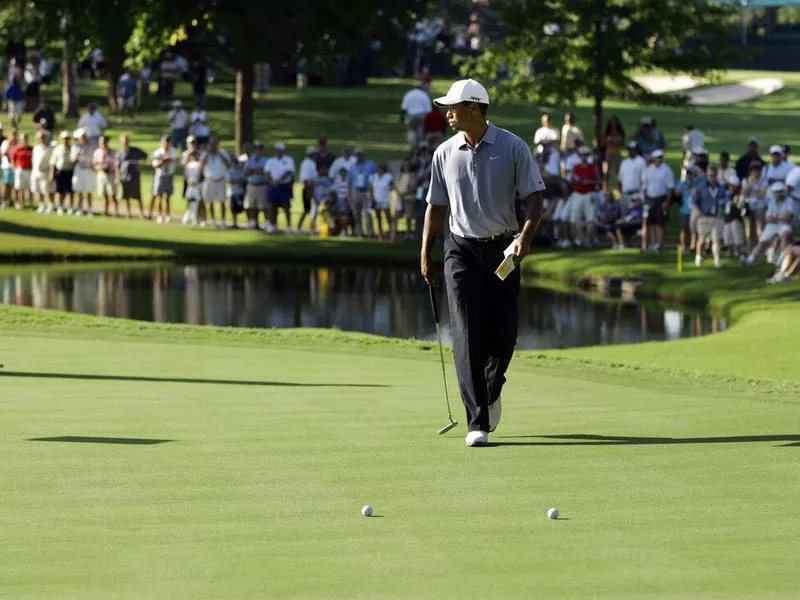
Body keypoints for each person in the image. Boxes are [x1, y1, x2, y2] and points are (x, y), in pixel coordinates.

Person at [421, 78, 545, 447]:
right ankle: (477, 421)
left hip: (502, 250)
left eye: (453, 108)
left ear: (474, 108)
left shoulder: (512, 147)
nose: (447, 114)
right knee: (465, 332)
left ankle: (491, 392)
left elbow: (535, 198)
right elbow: (436, 205)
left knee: (503, 335)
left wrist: (524, 237)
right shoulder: (444, 152)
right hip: (459, 250)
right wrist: (426, 251)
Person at [743, 182, 796, 265]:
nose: (777, 194)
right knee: (762, 241)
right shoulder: (772, 202)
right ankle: (750, 259)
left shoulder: (790, 201)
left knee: (784, 236)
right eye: (775, 192)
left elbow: (788, 217)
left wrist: (775, 216)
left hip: (785, 224)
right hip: (773, 225)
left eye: (778, 192)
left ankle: (781, 261)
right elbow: (768, 219)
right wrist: (780, 216)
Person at [692, 165, 727, 268]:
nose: (713, 178)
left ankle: (717, 260)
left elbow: (724, 199)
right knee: (702, 239)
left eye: (715, 176)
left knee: (716, 239)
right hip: (704, 216)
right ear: (708, 175)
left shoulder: (720, 187)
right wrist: (699, 212)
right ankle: (698, 256)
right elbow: (694, 201)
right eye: (711, 175)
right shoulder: (701, 187)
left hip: (716, 216)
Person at [642, 149, 674, 251]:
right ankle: (649, 244)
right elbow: (644, 187)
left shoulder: (667, 170)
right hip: (650, 199)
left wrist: (667, 201)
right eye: (657, 157)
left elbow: (670, 187)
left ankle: (660, 245)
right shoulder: (648, 170)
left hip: (661, 199)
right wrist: (646, 200)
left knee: (661, 223)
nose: (659, 159)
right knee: (649, 223)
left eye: (660, 157)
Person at [570, 146, 600, 247]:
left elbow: (599, 181)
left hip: (589, 194)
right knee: (577, 218)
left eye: (585, 155)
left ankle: (589, 239)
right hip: (578, 194)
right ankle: (580, 239)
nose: (583, 157)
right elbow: (572, 181)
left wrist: (589, 182)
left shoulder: (593, 167)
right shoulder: (576, 167)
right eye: (582, 155)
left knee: (590, 219)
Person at [264, 142, 296, 232]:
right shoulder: (271, 160)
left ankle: (289, 226)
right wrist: (272, 181)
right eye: (277, 150)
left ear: (283, 151)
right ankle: (273, 225)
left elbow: (288, 172)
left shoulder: (288, 159)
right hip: (273, 185)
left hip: (284, 185)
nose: (278, 152)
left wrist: (279, 180)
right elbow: (267, 172)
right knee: (272, 205)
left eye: (280, 150)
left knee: (286, 205)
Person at [200, 138, 230, 227]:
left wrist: (219, 154)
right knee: (210, 201)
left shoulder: (222, 152)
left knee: (222, 201)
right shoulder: (205, 154)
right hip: (209, 180)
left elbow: (228, 163)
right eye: (211, 144)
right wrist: (207, 153)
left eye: (215, 144)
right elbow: (201, 165)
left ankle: (223, 221)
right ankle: (213, 220)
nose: (213, 146)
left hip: (220, 180)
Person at [116, 134, 148, 218]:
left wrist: (141, 164)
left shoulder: (135, 150)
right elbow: (117, 166)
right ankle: (128, 213)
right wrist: (117, 177)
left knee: (137, 196)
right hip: (124, 176)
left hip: (134, 176)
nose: (125, 142)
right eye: (123, 140)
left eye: (126, 140)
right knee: (126, 196)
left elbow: (145, 155)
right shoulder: (119, 152)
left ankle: (141, 213)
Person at [348, 148, 377, 237]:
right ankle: (359, 232)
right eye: (357, 154)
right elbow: (349, 182)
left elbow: (375, 178)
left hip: (366, 191)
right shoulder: (352, 166)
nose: (359, 156)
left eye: (360, 154)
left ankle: (370, 232)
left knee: (368, 213)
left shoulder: (370, 165)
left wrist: (371, 191)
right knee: (357, 213)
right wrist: (350, 194)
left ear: (364, 155)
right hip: (356, 191)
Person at [150, 135, 177, 223]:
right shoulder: (157, 152)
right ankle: (159, 215)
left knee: (168, 197)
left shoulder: (173, 151)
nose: (167, 144)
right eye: (165, 142)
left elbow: (172, 160)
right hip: (160, 175)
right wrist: (163, 160)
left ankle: (168, 215)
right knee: (159, 196)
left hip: (169, 175)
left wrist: (164, 159)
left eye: (168, 142)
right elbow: (155, 165)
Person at [741, 161, 767, 249]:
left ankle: (760, 250)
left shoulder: (764, 180)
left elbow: (762, 194)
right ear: (750, 171)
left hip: (760, 207)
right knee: (749, 231)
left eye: (758, 170)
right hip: (748, 208)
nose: (756, 172)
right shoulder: (746, 180)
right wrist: (750, 183)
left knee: (760, 230)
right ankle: (750, 249)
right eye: (754, 170)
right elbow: (743, 193)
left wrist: (751, 195)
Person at [400, 79, 433, 147]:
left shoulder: (408, 94)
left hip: (412, 116)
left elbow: (403, 108)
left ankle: (414, 145)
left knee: (412, 131)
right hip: (422, 116)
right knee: (421, 132)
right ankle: (421, 146)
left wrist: (402, 118)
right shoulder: (424, 95)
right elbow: (429, 110)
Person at [243, 142, 269, 229]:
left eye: (260, 149)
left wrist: (253, 170)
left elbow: (265, 172)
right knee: (252, 206)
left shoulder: (266, 160)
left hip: (262, 185)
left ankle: (267, 222)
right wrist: (257, 170)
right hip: (251, 185)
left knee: (264, 206)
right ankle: (254, 222)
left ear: (262, 150)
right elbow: (246, 173)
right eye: (257, 149)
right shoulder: (251, 159)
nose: (258, 151)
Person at [49, 131, 75, 214]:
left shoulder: (72, 148)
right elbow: (53, 162)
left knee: (70, 190)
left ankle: (70, 207)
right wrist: (51, 173)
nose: (65, 140)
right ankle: (60, 206)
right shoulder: (57, 149)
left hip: (70, 171)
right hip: (60, 171)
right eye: (64, 139)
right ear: (61, 139)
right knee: (59, 191)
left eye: (67, 138)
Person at [92, 135, 118, 217]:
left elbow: (116, 164)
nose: (102, 143)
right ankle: (105, 211)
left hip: (111, 174)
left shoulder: (113, 151)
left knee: (112, 194)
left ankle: (116, 212)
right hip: (101, 174)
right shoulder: (97, 152)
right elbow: (94, 165)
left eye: (103, 141)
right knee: (104, 194)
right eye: (100, 141)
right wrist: (99, 168)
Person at [70, 129, 94, 217]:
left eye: (84, 136)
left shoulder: (91, 146)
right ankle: (80, 208)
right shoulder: (75, 147)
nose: (83, 138)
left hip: (88, 170)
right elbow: (72, 160)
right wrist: (77, 155)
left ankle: (90, 209)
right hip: (79, 169)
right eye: (81, 137)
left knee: (89, 190)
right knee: (79, 190)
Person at [368, 162, 394, 240]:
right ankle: (380, 234)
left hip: (385, 200)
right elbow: (370, 188)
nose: (380, 170)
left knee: (388, 217)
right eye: (379, 169)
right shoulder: (373, 177)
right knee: (378, 217)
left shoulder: (388, 177)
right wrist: (371, 197)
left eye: (381, 169)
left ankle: (391, 233)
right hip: (376, 201)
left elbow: (392, 186)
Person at [617, 141, 645, 212]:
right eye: (630, 149)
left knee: (635, 215)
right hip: (625, 194)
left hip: (636, 194)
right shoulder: (624, 162)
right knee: (624, 215)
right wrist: (620, 193)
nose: (631, 151)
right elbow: (620, 179)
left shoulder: (641, 161)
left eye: (633, 149)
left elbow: (644, 179)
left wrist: (641, 193)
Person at [675, 167, 697, 251]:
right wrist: (686, 188)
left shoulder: (696, 183)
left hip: (694, 210)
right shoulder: (683, 183)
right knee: (684, 229)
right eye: (688, 174)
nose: (689, 175)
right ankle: (684, 245)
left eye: (691, 174)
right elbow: (677, 193)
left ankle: (692, 246)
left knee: (693, 230)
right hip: (684, 210)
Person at [297, 146, 318, 232]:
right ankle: (300, 227)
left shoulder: (312, 163)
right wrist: (308, 192)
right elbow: (305, 179)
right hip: (308, 188)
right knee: (307, 209)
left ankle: (312, 227)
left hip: (312, 187)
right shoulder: (306, 163)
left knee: (312, 209)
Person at [394, 161, 417, 240]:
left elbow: (413, 187)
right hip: (400, 199)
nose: (406, 167)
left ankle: (407, 234)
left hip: (409, 199)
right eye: (405, 166)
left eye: (408, 166)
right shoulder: (399, 175)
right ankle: (394, 234)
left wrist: (404, 193)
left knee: (409, 217)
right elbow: (395, 185)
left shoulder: (412, 176)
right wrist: (400, 193)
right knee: (396, 216)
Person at [31, 129, 52, 213]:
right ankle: (41, 205)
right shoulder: (36, 148)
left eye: (43, 137)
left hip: (45, 172)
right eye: (39, 137)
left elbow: (51, 163)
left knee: (46, 190)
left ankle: (50, 205)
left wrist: (51, 173)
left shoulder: (49, 149)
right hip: (36, 172)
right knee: (38, 190)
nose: (41, 139)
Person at [10, 132, 33, 209]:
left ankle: (30, 204)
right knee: (21, 188)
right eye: (23, 139)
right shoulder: (17, 148)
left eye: (26, 138)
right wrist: (14, 168)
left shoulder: (31, 148)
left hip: (29, 170)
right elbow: (12, 159)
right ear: (21, 140)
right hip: (20, 170)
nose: (24, 140)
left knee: (30, 188)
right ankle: (21, 204)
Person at [310, 163, 334, 234]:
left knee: (324, 214)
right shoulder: (314, 179)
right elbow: (311, 189)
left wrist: (326, 200)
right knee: (313, 214)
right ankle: (313, 229)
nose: (322, 171)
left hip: (323, 201)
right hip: (315, 199)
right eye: (321, 170)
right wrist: (313, 197)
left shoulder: (326, 179)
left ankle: (326, 229)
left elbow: (330, 190)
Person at [603, 116, 625, 189]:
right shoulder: (607, 132)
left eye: (615, 122)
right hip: (609, 153)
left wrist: (617, 140)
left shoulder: (620, 132)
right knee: (606, 172)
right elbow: (604, 143)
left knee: (618, 173)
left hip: (617, 153)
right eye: (612, 122)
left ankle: (620, 189)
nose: (613, 124)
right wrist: (609, 140)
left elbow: (622, 143)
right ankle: (605, 189)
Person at [227, 158, 246, 229]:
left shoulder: (241, 171)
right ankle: (234, 223)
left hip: (241, 191)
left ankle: (249, 222)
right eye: (233, 163)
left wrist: (237, 181)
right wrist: (238, 180)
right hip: (233, 192)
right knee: (233, 208)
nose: (235, 164)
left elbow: (244, 180)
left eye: (236, 163)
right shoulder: (230, 171)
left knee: (241, 207)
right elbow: (231, 181)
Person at [0, 128, 17, 207]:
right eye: (12, 134)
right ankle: (4, 200)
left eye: (14, 135)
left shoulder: (17, 143)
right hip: (6, 166)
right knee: (5, 184)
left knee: (12, 185)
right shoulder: (5, 142)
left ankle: (10, 200)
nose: (13, 136)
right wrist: (8, 146)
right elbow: (3, 154)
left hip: (14, 167)